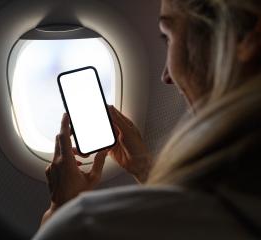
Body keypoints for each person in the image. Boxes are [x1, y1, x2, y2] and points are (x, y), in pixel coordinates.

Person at [34, 0, 261, 239]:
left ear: (247, 38)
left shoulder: (85, 225)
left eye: (168, 37)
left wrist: (59, 208)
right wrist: (144, 167)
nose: (165, 76)